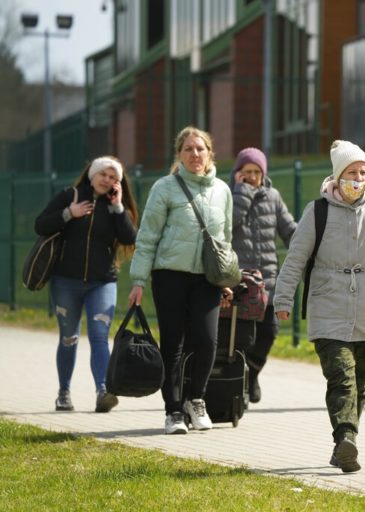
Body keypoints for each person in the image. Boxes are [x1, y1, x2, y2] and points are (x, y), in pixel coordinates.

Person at [273, 140, 365, 473]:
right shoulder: (317, 211)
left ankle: (344, 445)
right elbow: (295, 258)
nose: (358, 178)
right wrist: (283, 298)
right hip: (328, 304)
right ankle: (345, 438)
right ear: (338, 176)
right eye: (352, 172)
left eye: (364, 172)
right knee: (342, 377)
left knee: (360, 382)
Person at [128, 126, 234, 435]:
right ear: (180, 154)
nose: (195, 154)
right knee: (173, 343)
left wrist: (224, 276)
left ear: (210, 153)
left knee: (207, 339)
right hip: (169, 275)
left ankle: (196, 399)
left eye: (200, 148)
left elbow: (225, 238)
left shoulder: (222, 190)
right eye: (188, 149)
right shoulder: (165, 188)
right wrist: (138, 280)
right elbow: (147, 236)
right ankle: (173, 411)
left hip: (206, 279)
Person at [34, 156, 138, 413]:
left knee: (100, 336)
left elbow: (129, 238)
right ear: (92, 174)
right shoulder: (69, 196)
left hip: (102, 283)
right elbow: (41, 224)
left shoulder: (115, 207)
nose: (108, 180)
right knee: (68, 337)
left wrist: (118, 208)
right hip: (65, 282)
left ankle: (103, 391)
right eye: (104, 174)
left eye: (114, 178)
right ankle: (64, 392)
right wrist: (69, 213)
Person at [228, 147, 296, 403]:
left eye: (257, 172)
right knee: (243, 335)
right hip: (239, 282)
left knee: (270, 332)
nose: (253, 176)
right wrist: (242, 193)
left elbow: (289, 228)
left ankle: (252, 375)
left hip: (268, 282)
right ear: (238, 173)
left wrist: (307, 241)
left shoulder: (273, 196)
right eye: (247, 172)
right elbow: (229, 225)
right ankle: (238, 383)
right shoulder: (229, 195)